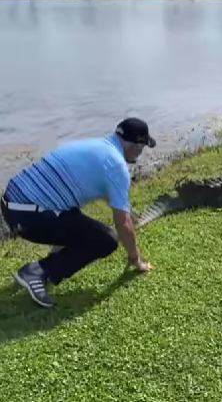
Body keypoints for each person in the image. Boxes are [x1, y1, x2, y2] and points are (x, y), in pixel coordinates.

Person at [0, 117, 156, 308]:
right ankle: (37, 272)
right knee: (105, 239)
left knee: (75, 218)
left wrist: (126, 210)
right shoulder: (116, 165)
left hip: (11, 205)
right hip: (30, 217)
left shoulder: (95, 145)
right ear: (137, 146)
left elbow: (106, 194)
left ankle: (41, 269)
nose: (141, 153)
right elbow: (122, 223)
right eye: (142, 147)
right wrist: (135, 258)